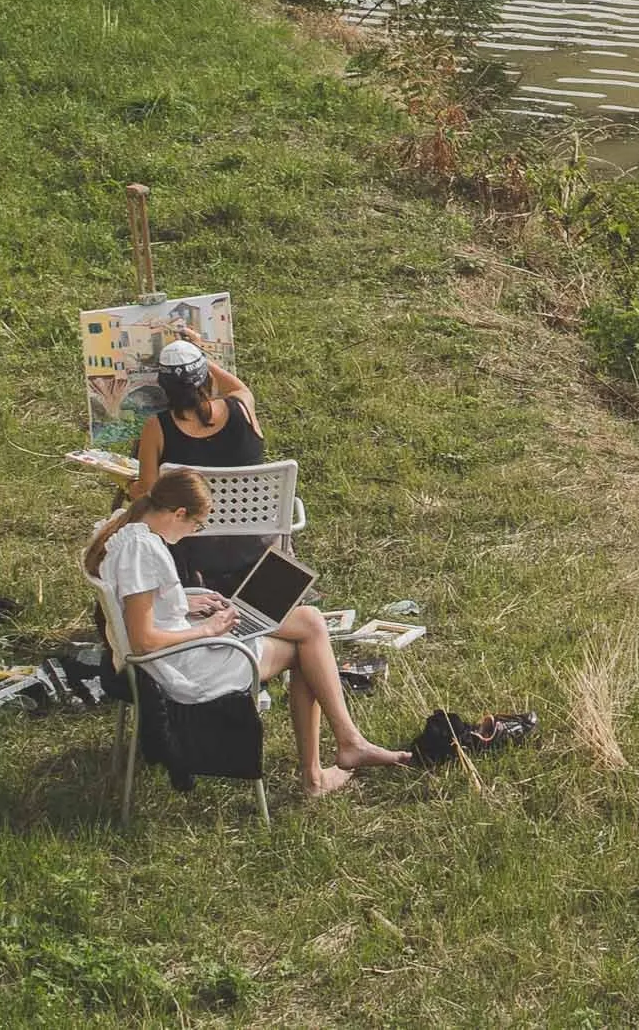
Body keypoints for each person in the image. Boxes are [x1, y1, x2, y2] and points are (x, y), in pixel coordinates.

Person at [85, 468, 410, 798]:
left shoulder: (127, 531)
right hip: (180, 667)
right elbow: (144, 641)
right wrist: (208, 630)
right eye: (196, 526)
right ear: (179, 513)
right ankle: (324, 768)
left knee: (310, 621)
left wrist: (184, 599)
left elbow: (139, 604)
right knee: (305, 653)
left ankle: (346, 744)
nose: (193, 533)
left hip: (176, 651)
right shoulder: (142, 551)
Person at [135, 338, 269, 589]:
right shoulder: (243, 406)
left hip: (190, 543)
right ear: (206, 376)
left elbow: (147, 495)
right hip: (252, 536)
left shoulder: (157, 428)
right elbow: (240, 388)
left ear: (164, 387)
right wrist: (202, 356)